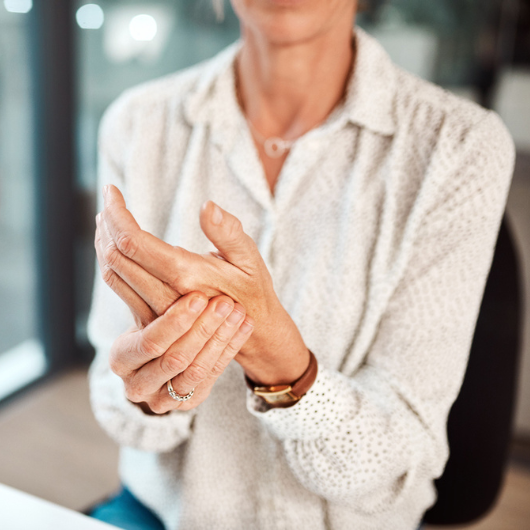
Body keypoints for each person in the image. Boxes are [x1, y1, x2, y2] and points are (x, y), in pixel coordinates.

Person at [87, 0, 516, 529]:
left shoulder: (459, 145)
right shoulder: (138, 122)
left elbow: (400, 454)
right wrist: (154, 391)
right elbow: (113, 385)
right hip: (165, 512)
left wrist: (279, 359)